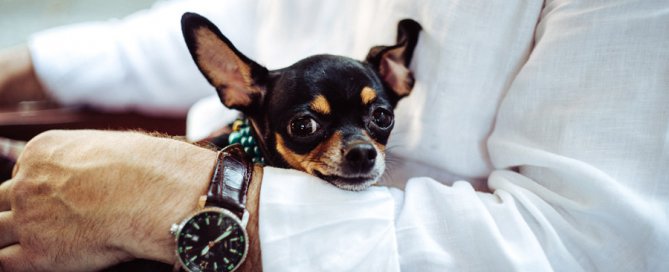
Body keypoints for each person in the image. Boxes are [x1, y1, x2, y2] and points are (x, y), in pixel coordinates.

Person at [1, 0, 668, 271]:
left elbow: (598, 244)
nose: (360, 146)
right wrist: (31, 66)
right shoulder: (243, 84)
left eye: (377, 122)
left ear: (393, 83)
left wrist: (194, 199)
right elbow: (258, 11)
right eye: (309, 126)